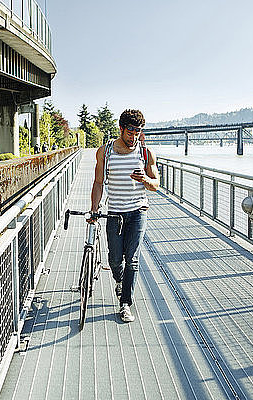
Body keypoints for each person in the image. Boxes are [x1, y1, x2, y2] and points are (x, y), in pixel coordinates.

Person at [88, 109, 159, 322]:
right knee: (115, 259)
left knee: (133, 261)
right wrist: (94, 208)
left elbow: (156, 184)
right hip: (114, 212)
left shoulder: (146, 153)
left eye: (138, 131)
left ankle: (125, 304)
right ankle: (120, 281)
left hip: (138, 212)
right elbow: (98, 182)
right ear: (121, 129)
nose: (134, 136)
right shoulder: (105, 152)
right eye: (130, 131)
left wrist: (145, 180)